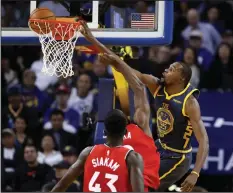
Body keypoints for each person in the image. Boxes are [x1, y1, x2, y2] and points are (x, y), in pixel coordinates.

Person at [78, 22, 209, 192]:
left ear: (181, 78)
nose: (166, 70)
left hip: (177, 158)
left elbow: (204, 140)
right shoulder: (157, 86)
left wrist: (196, 172)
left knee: (141, 186)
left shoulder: (189, 103)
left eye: (172, 69)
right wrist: (93, 41)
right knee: (128, 179)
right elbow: (129, 71)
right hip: (159, 146)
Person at [80, 21, 160, 191]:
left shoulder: (139, 123)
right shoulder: (111, 141)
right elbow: (138, 87)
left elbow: (138, 86)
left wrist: (96, 42)